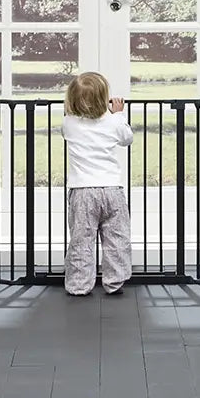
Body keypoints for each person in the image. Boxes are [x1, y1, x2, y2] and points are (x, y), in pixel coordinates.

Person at [61, 72, 133, 296]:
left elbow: (70, 119)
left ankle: (79, 284)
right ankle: (115, 281)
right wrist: (118, 114)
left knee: (81, 240)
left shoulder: (69, 123)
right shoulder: (113, 122)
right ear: (104, 98)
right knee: (116, 237)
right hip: (112, 190)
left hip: (82, 191)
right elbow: (127, 138)